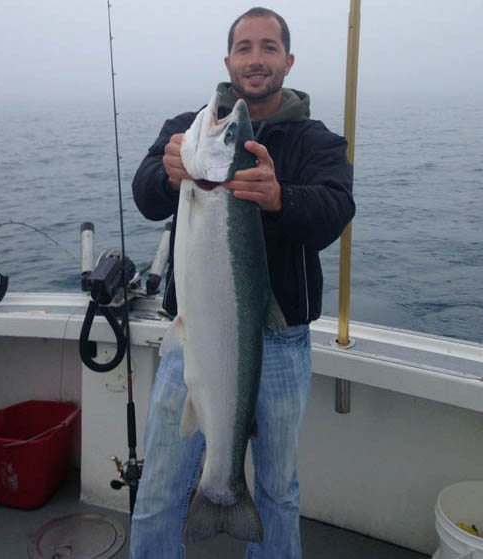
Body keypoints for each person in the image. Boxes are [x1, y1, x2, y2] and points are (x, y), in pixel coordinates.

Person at [130, 7, 355, 559]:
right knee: (159, 487)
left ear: (288, 60)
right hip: (193, 336)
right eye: (245, 48)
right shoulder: (190, 129)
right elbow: (145, 196)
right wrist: (166, 170)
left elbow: (335, 210)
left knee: (278, 491)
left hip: (281, 344)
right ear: (228, 60)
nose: (256, 60)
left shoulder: (315, 141)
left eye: (269, 48)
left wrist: (281, 198)